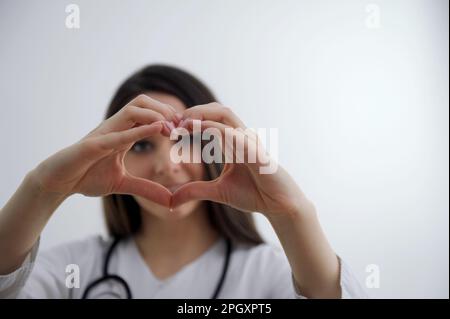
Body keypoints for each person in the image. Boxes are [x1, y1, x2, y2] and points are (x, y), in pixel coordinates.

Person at [0, 65, 367, 298]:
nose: (166, 165)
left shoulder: (268, 273)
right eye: (142, 144)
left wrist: (292, 213)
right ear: (113, 153)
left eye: (186, 140)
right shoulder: (74, 268)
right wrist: (42, 189)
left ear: (215, 147)